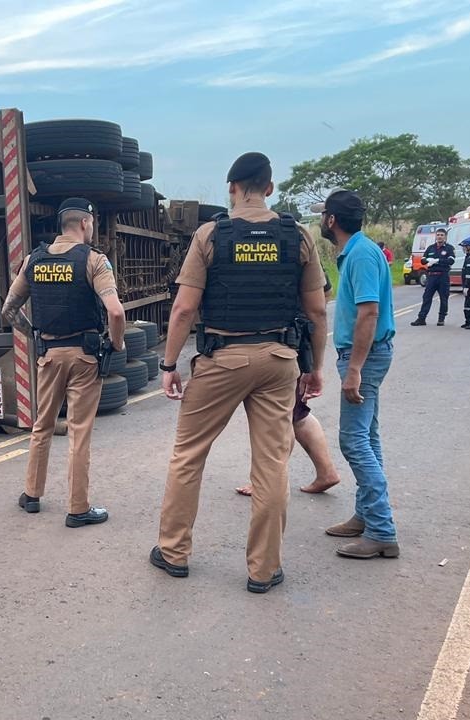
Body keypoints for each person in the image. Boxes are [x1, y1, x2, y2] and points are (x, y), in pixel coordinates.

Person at [150, 152, 328, 594]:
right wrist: (315, 368)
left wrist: (169, 364)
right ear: (269, 187)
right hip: (279, 360)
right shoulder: (297, 236)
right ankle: (264, 569)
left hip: (221, 358)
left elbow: (184, 308)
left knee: (188, 454)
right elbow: (317, 310)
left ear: (232, 189)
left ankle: (173, 553)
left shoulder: (212, 235)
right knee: (271, 464)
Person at [1, 197, 126, 528]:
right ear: (85, 223)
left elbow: (9, 311)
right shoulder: (94, 261)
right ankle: (78, 507)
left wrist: (38, 337)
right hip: (84, 356)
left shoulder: (33, 260)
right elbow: (115, 311)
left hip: (49, 355)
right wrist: (116, 343)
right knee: (79, 432)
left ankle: (31, 495)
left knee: (42, 425)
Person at [313, 190, 399, 560]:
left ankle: (381, 529)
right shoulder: (358, 252)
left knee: (353, 441)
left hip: (364, 357)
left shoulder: (362, 255)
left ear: (332, 220)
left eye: (322, 215)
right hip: (365, 355)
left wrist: (355, 371)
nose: (320, 221)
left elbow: (368, 314)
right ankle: (366, 516)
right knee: (368, 436)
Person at [235, 276, 342, 496]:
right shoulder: (297, 248)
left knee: (280, 417)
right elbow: (324, 293)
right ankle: (326, 471)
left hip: (283, 344)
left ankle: (267, 481)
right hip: (294, 341)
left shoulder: (283, 248)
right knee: (297, 413)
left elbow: (321, 300)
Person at [411, 228, 454, 326]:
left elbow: (451, 261)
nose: (439, 237)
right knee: (426, 297)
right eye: (438, 235)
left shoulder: (449, 248)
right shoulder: (430, 248)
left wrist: (438, 261)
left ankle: (441, 318)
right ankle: (421, 318)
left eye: (442, 235)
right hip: (431, 276)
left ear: (445, 237)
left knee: (443, 298)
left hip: (443, 276)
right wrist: (427, 261)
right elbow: (423, 260)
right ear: (435, 236)